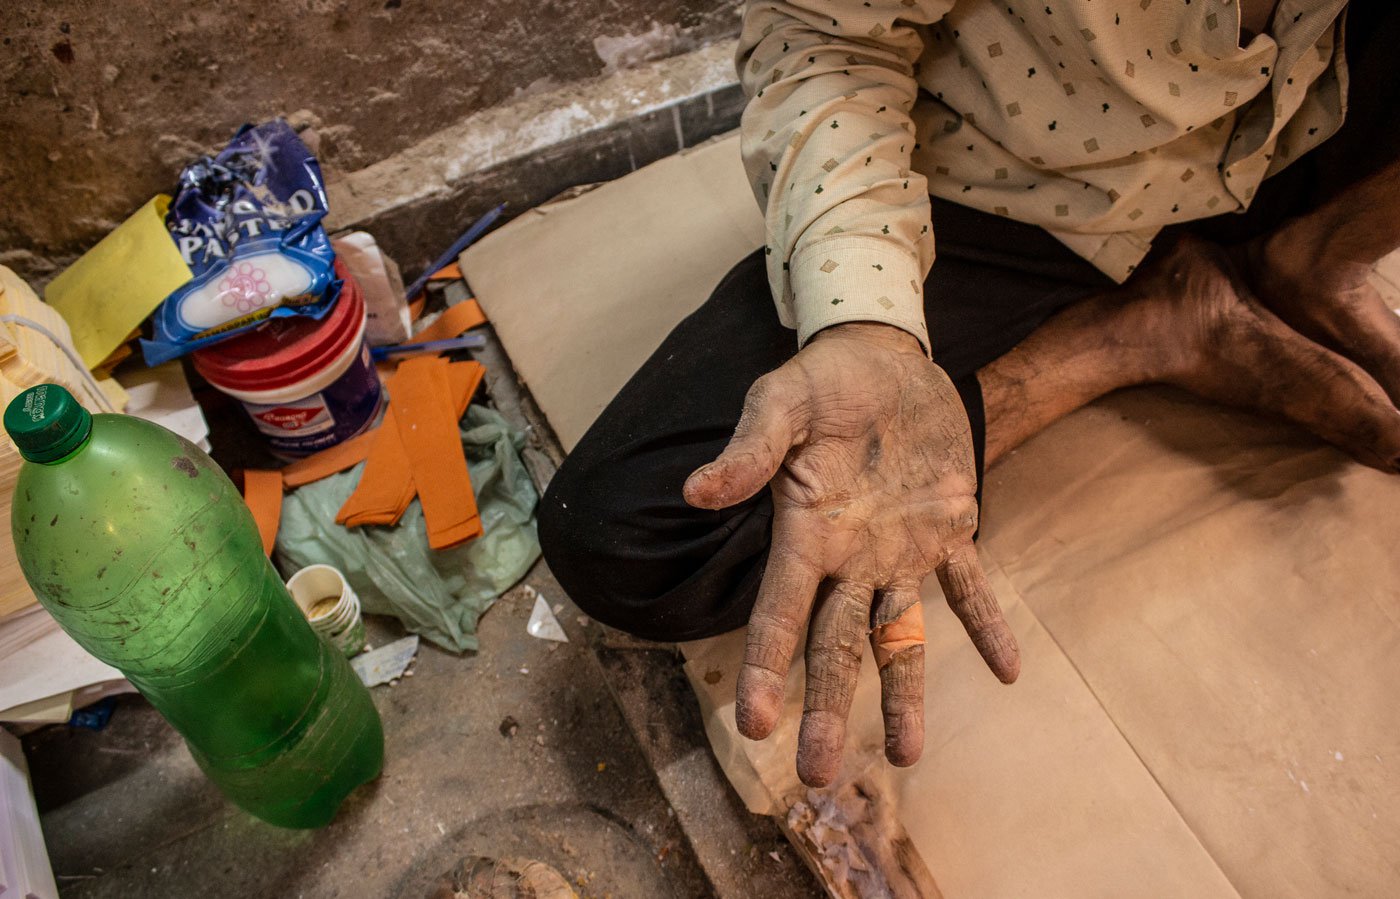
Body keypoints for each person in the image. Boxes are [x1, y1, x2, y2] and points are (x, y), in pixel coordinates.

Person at [539, 0, 1400, 788]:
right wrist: (868, 331)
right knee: (631, 529)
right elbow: (823, 34)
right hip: (1013, 189)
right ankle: (1135, 331)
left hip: (1284, 143)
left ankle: (1314, 257)